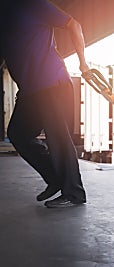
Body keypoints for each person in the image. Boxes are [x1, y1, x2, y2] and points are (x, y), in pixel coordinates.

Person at [0, 0, 90, 208]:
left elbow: (73, 24)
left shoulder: (32, 4)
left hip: (51, 83)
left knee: (58, 136)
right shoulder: (4, 15)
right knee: (18, 134)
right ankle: (55, 178)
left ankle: (74, 193)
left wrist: (83, 63)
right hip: (30, 90)